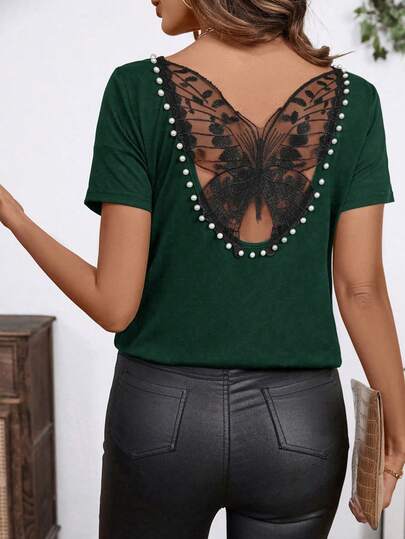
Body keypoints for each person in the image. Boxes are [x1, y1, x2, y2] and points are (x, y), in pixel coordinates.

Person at [1, 0, 404, 537]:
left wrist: (15, 218)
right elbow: (361, 289)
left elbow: (113, 306)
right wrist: (397, 433)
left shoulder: (136, 90)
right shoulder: (356, 101)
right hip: (299, 424)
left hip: (160, 417)